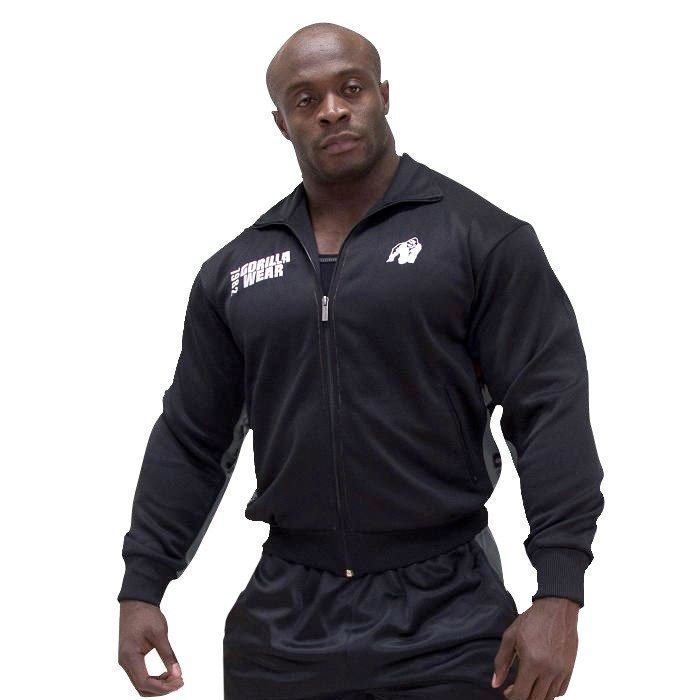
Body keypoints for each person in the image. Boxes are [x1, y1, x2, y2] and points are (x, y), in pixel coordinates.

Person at [117, 21, 605, 700]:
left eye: (350, 89)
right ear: (281, 122)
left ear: (383, 95)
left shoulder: (481, 240)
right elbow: (192, 438)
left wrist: (560, 591)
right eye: (305, 99)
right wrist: (143, 585)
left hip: (448, 614)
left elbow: (548, 411)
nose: (332, 110)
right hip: (284, 621)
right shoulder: (235, 271)